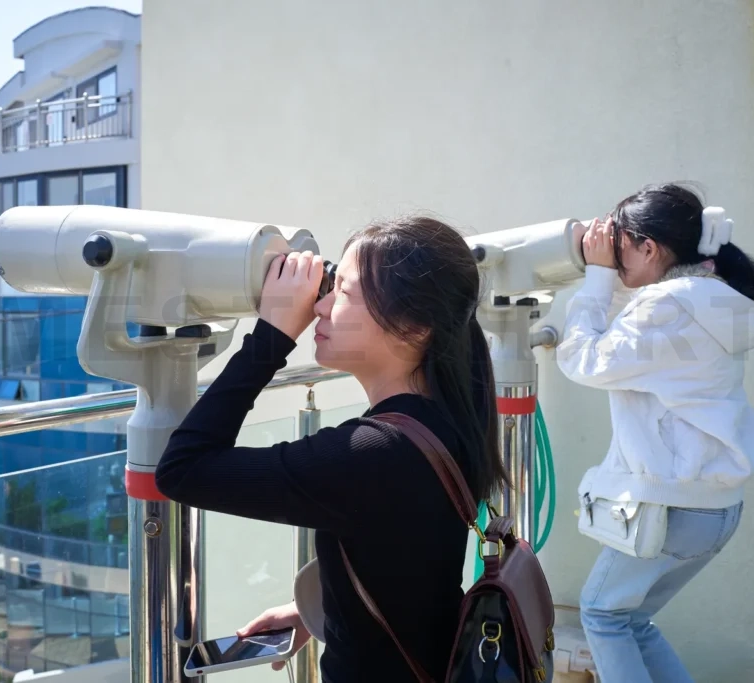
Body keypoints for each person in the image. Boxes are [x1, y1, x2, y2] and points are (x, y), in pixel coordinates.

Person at [155, 215, 508, 682]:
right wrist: (321, 611)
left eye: (341, 290)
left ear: (413, 327)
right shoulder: (442, 419)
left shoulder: (374, 452)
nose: (318, 305)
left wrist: (272, 335)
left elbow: (182, 470)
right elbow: (407, 561)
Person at [556, 182, 754, 682]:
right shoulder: (713, 300)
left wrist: (598, 277)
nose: (615, 259)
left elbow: (583, 360)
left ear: (649, 248)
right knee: (632, 620)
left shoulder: (669, 307)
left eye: (621, 247)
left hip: (670, 509)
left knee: (602, 615)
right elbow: (640, 314)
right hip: (714, 509)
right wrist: (602, 264)